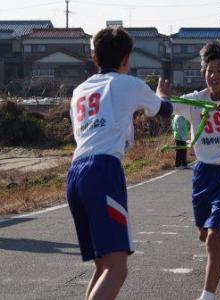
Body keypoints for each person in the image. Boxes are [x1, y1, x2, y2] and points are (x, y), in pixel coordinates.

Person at [66, 27, 172, 300]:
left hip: (76, 172)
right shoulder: (127, 83)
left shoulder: (79, 90)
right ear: (127, 58)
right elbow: (164, 111)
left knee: (103, 265)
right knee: (117, 269)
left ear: (94, 57)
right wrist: (161, 93)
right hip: (103, 171)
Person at [172, 41, 220, 300]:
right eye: (209, 70)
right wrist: (162, 96)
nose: (214, 75)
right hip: (202, 173)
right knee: (205, 235)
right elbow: (170, 107)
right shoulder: (196, 99)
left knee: (213, 239)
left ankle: (207, 295)